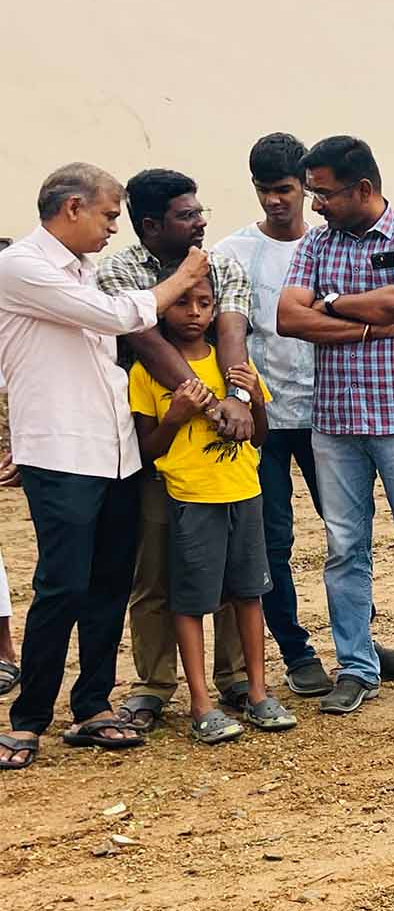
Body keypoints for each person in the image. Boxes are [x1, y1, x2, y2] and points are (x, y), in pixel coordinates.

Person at [0, 164, 203, 769]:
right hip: (61, 452)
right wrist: (182, 278)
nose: (114, 227)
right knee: (62, 584)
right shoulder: (21, 266)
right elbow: (120, 318)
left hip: (115, 451)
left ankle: (91, 706)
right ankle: (28, 719)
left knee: (110, 582)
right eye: (109, 215)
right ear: (72, 208)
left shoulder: (84, 270)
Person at [214, 133, 394, 696]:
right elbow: (247, 330)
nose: (274, 200)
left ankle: (360, 644)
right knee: (272, 540)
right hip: (264, 419)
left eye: (284, 189)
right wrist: (243, 400)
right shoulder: (234, 252)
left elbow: (389, 309)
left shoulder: (332, 243)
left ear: (306, 188)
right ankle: (296, 651)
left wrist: (335, 320)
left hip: (332, 413)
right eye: (263, 190)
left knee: (349, 536)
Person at [277, 136, 394, 714]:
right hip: (334, 422)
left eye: (324, 193)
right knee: (343, 549)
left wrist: (330, 303)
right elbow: (287, 317)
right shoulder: (316, 243)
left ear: (362, 188)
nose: (315, 204)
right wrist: (366, 324)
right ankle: (357, 667)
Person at [95, 169, 251, 729]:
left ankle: (236, 678)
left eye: (199, 210)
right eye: (187, 215)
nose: (201, 221)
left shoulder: (222, 265)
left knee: (232, 569)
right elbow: (147, 344)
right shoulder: (117, 271)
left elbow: (231, 333)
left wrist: (237, 397)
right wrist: (213, 407)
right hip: (153, 438)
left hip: (222, 452)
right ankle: (154, 684)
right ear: (151, 225)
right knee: (155, 569)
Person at [129, 277, 294, 742]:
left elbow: (260, 436)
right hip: (190, 497)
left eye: (204, 303)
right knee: (190, 601)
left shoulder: (236, 366)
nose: (194, 313)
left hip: (243, 491)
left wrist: (254, 400)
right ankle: (201, 704)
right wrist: (176, 416)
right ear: (162, 310)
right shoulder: (147, 372)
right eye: (182, 303)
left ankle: (257, 692)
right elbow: (147, 449)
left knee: (248, 593)